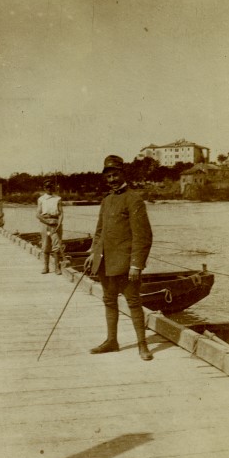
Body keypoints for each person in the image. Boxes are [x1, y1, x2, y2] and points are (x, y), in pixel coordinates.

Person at [84, 155, 154, 361]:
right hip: (105, 262)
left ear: (123, 174)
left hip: (126, 264)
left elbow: (143, 236)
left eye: (115, 175)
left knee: (133, 302)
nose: (112, 180)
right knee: (109, 300)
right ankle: (111, 341)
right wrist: (93, 253)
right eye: (108, 176)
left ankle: (143, 345)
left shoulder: (134, 199)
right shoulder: (106, 200)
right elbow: (100, 232)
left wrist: (136, 265)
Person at [36, 179, 64, 275]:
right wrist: (47, 222)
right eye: (47, 187)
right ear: (44, 188)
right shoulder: (41, 199)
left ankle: (57, 268)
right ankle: (46, 267)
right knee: (45, 245)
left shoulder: (58, 198)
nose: (49, 188)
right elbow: (38, 214)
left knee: (56, 246)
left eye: (50, 186)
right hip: (45, 224)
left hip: (55, 224)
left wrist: (59, 223)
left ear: (53, 187)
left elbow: (61, 213)